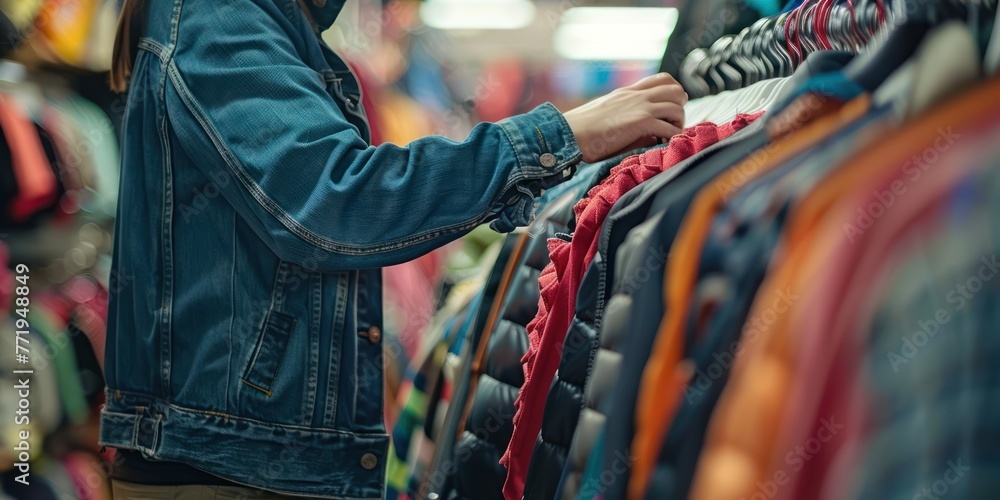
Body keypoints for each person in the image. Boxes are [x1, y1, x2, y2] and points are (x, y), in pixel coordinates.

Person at [102, 0, 688, 498]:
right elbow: (336, 203)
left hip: (242, 457)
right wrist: (562, 135)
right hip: (230, 469)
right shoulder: (221, 15)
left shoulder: (265, 24)